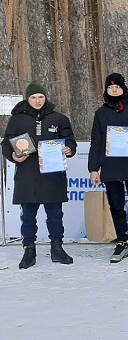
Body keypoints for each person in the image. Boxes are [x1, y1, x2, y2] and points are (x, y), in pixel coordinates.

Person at [2, 84, 77, 268]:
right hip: (27, 175)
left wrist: (69, 149)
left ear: (46, 98)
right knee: (28, 216)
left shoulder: (59, 118)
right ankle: (29, 249)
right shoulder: (17, 120)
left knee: (55, 215)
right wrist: (13, 156)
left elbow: (70, 141)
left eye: (40, 97)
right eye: (34, 97)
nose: (37, 100)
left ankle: (57, 248)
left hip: (53, 175)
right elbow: (6, 144)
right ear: (28, 98)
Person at [88, 73, 128, 263]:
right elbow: (97, 142)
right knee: (116, 206)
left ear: (123, 88)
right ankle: (121, 242)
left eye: (117, 87)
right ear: (106, 90)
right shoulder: (101, 113)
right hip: (110, 167)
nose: (114, 90)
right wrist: (94, 169)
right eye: (110, 87)